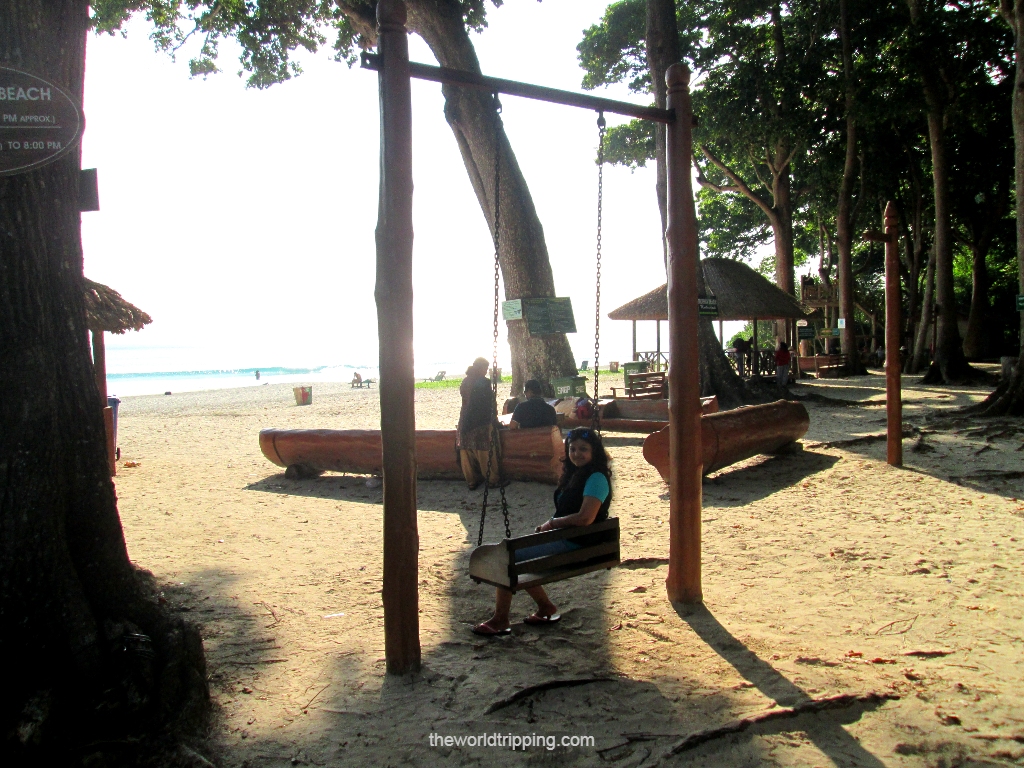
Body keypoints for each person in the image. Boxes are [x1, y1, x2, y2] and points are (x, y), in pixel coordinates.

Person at [472, 427, 612, 636]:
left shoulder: (596, 478)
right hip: (573, 538)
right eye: (572, 449)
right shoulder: (576, 474)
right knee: (521, 554)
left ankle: (500, 620)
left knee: (508, 557)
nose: (577, 454)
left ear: (595, 452)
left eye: (583, 449)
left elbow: (585, 518)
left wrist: (552, 524)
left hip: (579, 543)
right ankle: (546, 608)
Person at [458, 357, 500, 490]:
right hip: (480, 421)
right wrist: (494, 419)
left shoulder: (465, 382)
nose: (486, 372)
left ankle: (471, 480)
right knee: (485, 451)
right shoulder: (483, 382)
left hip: (464, 419)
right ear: (481, 368)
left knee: (466, 451)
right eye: (485, 369)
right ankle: (492, 479)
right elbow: (490, 403)